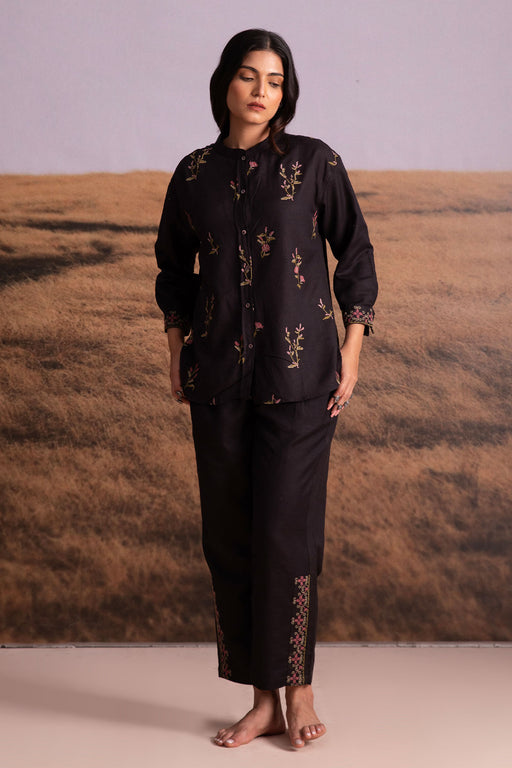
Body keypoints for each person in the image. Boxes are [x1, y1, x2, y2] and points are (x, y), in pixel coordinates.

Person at [155, 28, 377, 749]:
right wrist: (175, 350)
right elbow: (173, 270)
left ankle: (299, 690)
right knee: (231, 538)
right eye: (249, 75)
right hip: (218, 380)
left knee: (288, 535)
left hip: (302, 379)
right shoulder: (193, 174)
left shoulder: (314, 163)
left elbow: (355, 252)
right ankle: (261, 702)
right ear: (225, 82)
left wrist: (352, 351)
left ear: (287, 93)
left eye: (275, 80)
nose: (261, 91)